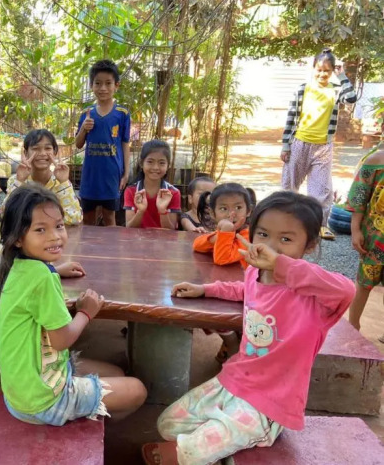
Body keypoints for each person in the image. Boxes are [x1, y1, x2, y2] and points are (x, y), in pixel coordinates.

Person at [142, 191, 354, 465]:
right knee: (168, 424)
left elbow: (346, 290)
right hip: (235, 380)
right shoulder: (256, 272)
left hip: (271, 402)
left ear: (310, 245)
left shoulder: (316, 296)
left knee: (190, 452)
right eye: (263, 234)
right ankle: (221, 440)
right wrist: (205, 289)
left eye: (286, 239)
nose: (270, 246)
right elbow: (243, 289)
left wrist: (281, 265)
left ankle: (233, 438)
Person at [0, 184, 147, 425]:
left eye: (59, 226)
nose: (55, 236)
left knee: (116, 373)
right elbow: (61, 340)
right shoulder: (42, 278)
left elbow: (35, 286)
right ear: (18, 239)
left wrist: (55, 269)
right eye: (40, 230)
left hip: (19, 394)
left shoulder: (18, 266)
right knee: (137, 390)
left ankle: (83, 413)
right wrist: (86, 312)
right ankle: (75, 424)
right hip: (44, 401)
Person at [281, 48, 358, 241]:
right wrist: (285, 145)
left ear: (332, 71)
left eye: (327, 70)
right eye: (319, 69)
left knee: (321, 190)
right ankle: (286, 221)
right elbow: (291, 117)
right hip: (299, 143)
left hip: (323, 147)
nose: (322, 74)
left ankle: (320, 226)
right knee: (290, 185)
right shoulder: (302, 89)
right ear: (313, 68)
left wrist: (342, 75)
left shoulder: (335, 90)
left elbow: (351, 98)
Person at [75, 60, 131, 226]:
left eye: (108, 83)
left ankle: (110, 245)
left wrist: (126, 173)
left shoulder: (122, 114)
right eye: (98, 83)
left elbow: (125, 144)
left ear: (116, 86)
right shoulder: (87, 113)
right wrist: (84, 129)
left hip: (111, 175)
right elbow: (78, 144)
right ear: (91, 85)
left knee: (109, 218)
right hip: (90, 176)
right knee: (87, 219)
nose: (103, 88)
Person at [1, 129, 82, 225]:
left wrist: (64, 182)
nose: (42, 153)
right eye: (35, 148)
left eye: (47, 148)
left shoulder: (60, 183)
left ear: (55, 152)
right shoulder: (17, 180)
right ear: (26, 153)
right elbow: (5, 215)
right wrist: (19, 181)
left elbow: (74, 218)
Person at [347, 141, 384, 342]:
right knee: (364, 283)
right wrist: (355, 230)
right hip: (374, 238)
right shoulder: (374, 161)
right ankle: (353, 326)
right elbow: (358, 200)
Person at [192, 182, 254, 268]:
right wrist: (219, 236)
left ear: (248, 211)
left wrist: (226, 232)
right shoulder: (224, 231)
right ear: (212, 213)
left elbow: (222, 259)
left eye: (238, 207)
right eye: (223, 208)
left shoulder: (250, 237)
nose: (231, 214)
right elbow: (197, 245)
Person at [124, 139, 181, 229]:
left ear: (168, 166)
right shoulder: (131, 191)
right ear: (141, 163)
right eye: (150, 162)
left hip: (163, 238)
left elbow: (171, 230)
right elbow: (129, 227)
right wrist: (140, 211)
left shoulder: (173, 193)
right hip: (137, 237)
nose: (155, 167)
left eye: (161, 163)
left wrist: (162, 210)